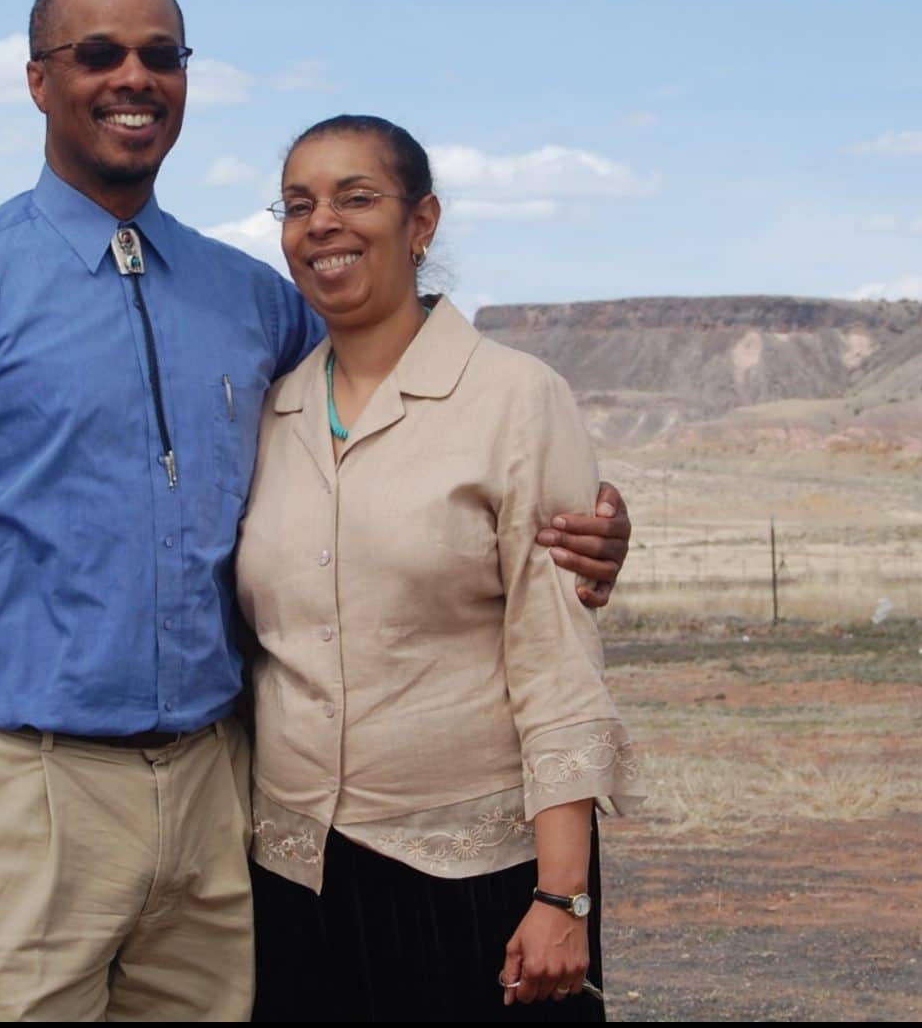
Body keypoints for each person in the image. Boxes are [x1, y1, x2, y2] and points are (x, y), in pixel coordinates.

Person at [0, 0, 634, 1021]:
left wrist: (586, 522)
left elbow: (404, 414)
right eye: (99, 53)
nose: (134, 76)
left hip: (220, 797)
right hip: (21, 790)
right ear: (35, 80)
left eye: (161, 55)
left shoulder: (252, 300)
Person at [237, 114, 644, 1022]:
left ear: (422, 223)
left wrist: (563, 897)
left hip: (472, 877)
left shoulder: (515, 397)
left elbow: (556, 656)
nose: (322, 223)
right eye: (299, 204)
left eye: (357, 198)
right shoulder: (272, 413)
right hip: (292, 876)